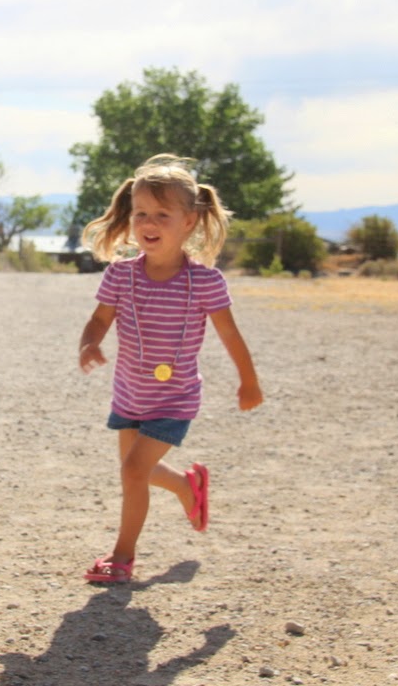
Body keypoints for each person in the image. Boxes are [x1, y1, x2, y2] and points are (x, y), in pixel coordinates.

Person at [77, 154, 262, 583]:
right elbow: (99, 320)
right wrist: (90, 343)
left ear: (189, 222)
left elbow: (230, 335)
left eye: (162, 214)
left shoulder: (205, 282)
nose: (149, 222)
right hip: (130, 395)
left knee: (133, 471)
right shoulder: (121, 275)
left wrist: (249, 382)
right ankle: (186, 485)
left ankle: (122, 558)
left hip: (175, 399)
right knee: (137, 470)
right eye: (141, 213)